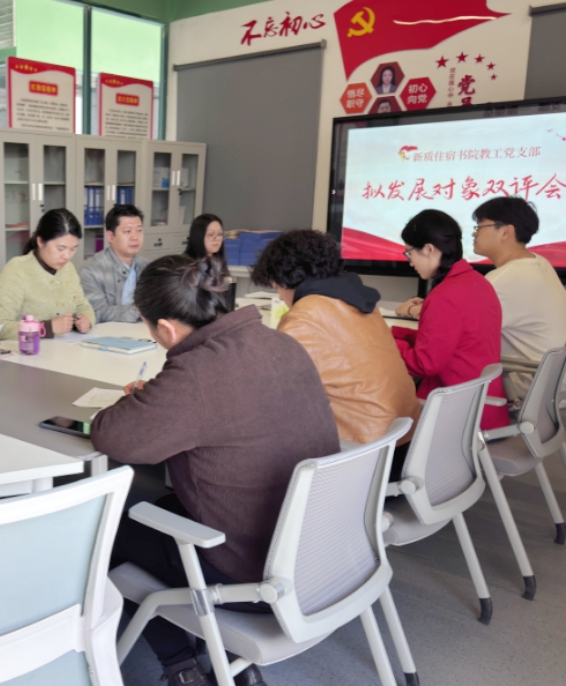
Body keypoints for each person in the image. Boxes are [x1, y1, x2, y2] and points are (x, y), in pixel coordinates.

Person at [91, 254, 339, 686]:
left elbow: (112, 438)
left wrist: (144, 402)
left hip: (252, 572)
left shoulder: (194, 374)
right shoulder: (281, 342)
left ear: (165, 328)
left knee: (103, 528)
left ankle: (181, 667)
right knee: (157, 503)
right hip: (320, 554)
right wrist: (162, 402)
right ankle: (228, 660)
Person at [251, 230, 420, 463]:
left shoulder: (304, 316)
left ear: (287, 277)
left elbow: (271, 392)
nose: (280, 297)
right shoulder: (364, 303)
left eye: (277, 287)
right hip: (404, 442)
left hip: (362, 455)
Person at [392, 210, 510, 430]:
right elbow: (450, 342)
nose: (410, 262)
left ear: (429, 249)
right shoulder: (477, 282)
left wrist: (385, 343)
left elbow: (424, 364)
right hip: (484, 408)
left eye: (409, 253)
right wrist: (397, 335)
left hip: (456, 418)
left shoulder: (444, 296)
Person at [471, 197, 566, 403]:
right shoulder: (538, 262)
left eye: (479, 227)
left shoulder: (504, 279)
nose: (474, 233)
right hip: (554, 383)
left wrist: (415, 310)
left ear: (506, 231)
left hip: (527, 386)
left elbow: (461, 326)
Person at [0, 208, 96, 340]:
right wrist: (45, 328)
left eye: (73, 249)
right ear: (40, 241)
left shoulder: (69, 269)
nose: (67, 256)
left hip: (65, 348)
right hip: (27, 351)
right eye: (60, 249)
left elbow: (83, 306)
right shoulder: (17, 269)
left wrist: (86, 319)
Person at [79, 204, 149, 323]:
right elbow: (96, 312)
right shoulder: (91, 270)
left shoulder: (148, 267)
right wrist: (139, 311)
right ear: (111, 236)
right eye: (127, 231)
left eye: (139, 230)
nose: (135, 237)